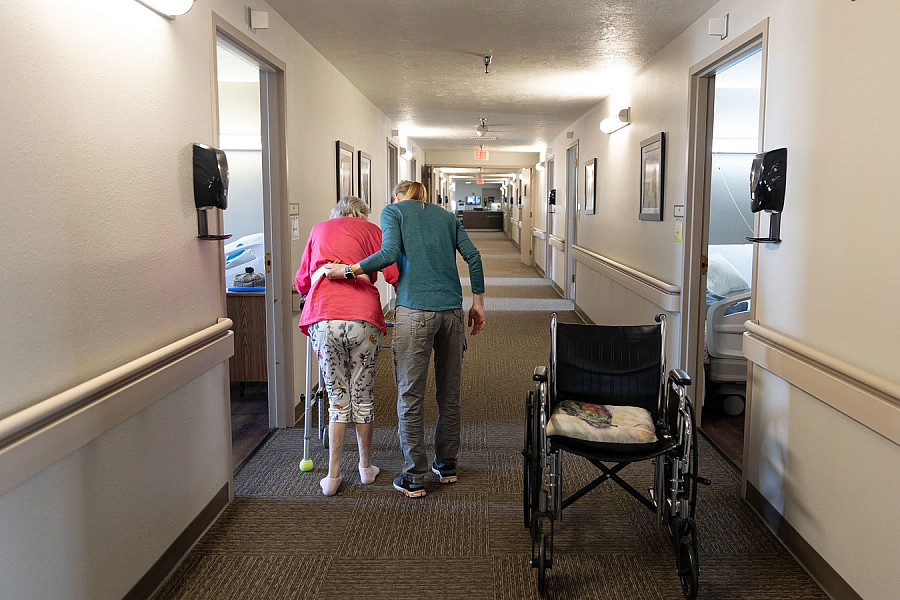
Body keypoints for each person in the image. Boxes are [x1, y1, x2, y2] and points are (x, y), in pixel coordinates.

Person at [325, 181, 485, 498]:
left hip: (414, 313)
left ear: (398, 196)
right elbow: (474, 257)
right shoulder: (448, 217)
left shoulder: (394, 212)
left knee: (410, 395)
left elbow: (387, 254)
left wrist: (347, 271)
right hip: (452, 312)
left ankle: (414, 476)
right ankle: (447, 466)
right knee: (449, 393)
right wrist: (478, 305)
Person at [296, 196, 398, 496]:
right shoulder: (372, 231)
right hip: (363, 318)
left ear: (335, 213)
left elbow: (302, 282)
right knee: (362, 396)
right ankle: (366, 468)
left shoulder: (318, 230)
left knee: (337, 399)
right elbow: (393, 273)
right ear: (362, 213)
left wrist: (322, 273)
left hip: (324, 318)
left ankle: (333, 475)